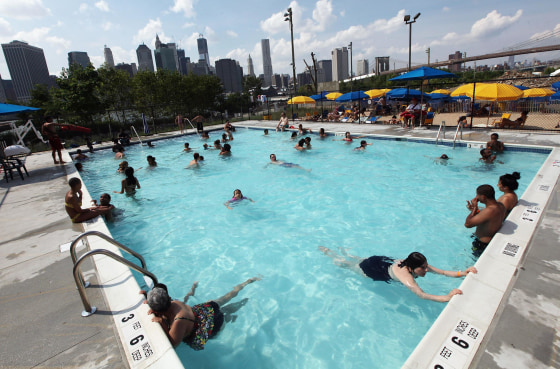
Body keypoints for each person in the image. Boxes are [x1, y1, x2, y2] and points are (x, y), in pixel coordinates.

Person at [319, 247, 476, 303]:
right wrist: (446, 297)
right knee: (347, 265)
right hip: (372, 269)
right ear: (413, 268)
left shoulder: (415, 264)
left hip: (379, 260)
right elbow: (421, 295)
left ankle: (345, 252)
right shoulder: (405, 277)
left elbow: (442, 272)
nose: (426, 270)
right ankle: (331, 255)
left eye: (426, 266)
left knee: (356, 260)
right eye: (423, 268)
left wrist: (463, 273)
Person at [140, 277, 260, 349]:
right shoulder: (173, 302)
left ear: (156, 310)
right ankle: (245, 285)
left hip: (213, 324)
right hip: (205, 310)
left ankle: (236, 311)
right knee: (226, 298)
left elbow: (172, 344)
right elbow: (161, 303)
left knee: (226, 315)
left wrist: (162, 322)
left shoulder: (179, 321)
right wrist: (147, 298)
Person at [465, 184, 507, 256]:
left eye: (477, 195)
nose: (476, 197)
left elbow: (468, 224)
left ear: (483, 197)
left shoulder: (489, 211)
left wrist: (475, 208)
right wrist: (474, 210)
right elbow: (487, 217)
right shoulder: (500, 205)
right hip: (490, 241)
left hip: (482, 244)